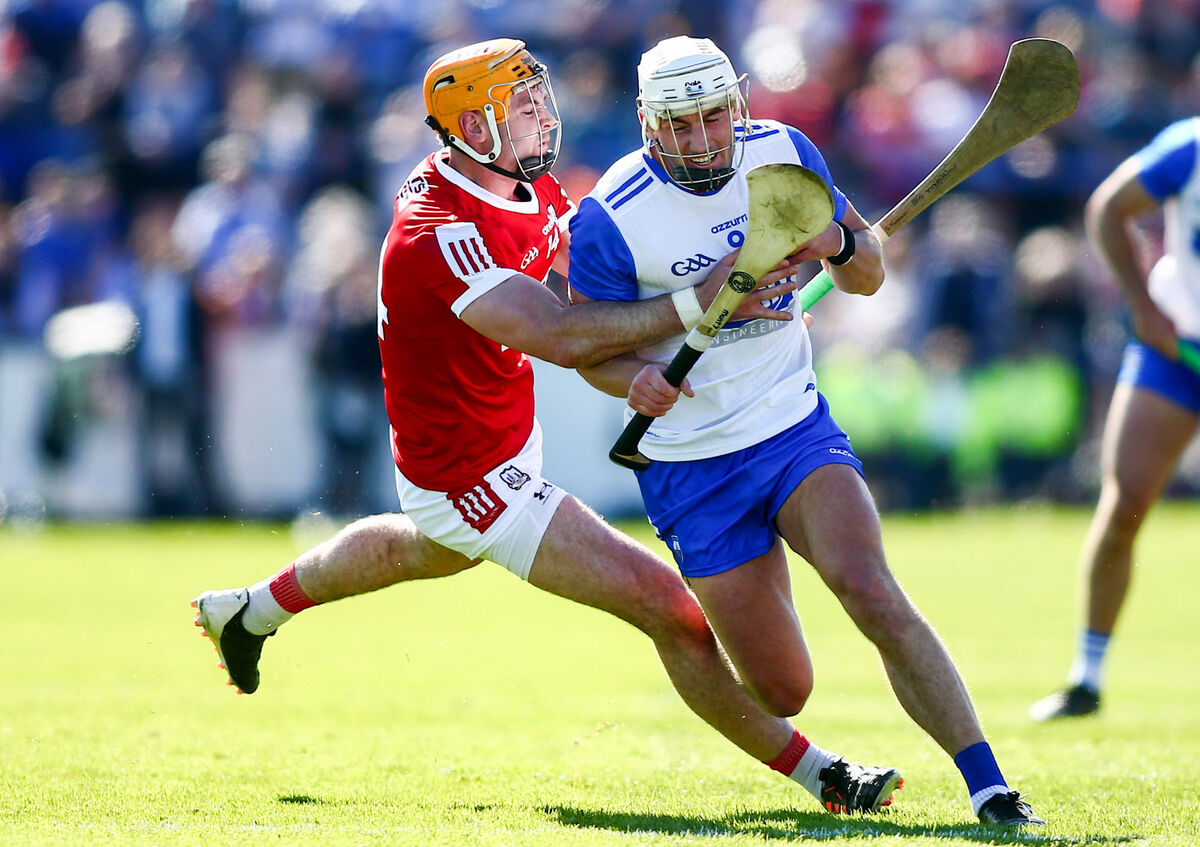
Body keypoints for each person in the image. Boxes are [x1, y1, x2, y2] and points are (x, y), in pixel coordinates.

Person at [192, 37, 906, 818]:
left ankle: (250, 610)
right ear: (472, 127)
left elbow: (599, 288)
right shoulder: (442, 231)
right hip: (473, 474)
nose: (541, 118)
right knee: (668, 608)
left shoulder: (521, 184)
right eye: (519, 108)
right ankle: (823, 774)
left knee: (421, 547)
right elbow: (564, 335)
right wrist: (705, 299)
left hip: (496, 438)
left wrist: (739, 282)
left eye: (539, 100)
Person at [566, 35, 1043, 828]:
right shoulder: (611, 216)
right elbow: (590, 352)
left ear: (737, 105)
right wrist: (635, 379)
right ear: (648, 124)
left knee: (870, 586)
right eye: (679, 125)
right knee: (783, 687)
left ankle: (991, 787)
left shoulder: (785, 153)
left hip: (791, 423)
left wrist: (840, 242)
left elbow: (868, 272)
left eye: (713, 117)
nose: (700, 139)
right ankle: (807, 755)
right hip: (692, 465)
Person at [1029, 116, 1200, 722]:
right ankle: (1087, 678)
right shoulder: (1189, 146)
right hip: (1179, 349)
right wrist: (1142, 305)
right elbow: (1108, 208)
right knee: (1124, 504)